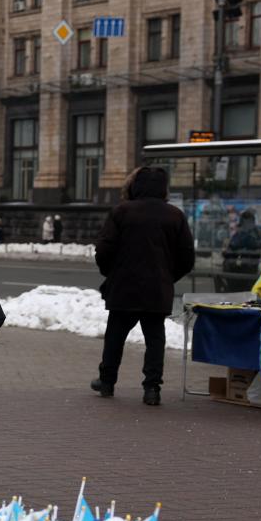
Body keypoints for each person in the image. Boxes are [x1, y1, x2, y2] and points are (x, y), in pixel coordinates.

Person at [92, 166, 195, 406]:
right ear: (163, 188)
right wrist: (167, 277)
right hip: (157, 289)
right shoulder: (174, 215)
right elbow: (187, 258)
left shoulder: (121, 212)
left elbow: (104, 250)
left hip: (124, 287)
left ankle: (107, 382)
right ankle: (152, 389)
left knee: (115, 336)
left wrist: (113, 273)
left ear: (135, 185)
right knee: (155, 339)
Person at [217, 209, 261, 293]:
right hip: (237, 266)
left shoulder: (255, 231)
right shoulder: (240, 231)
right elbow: (233, 245)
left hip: (248, 265)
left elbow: (256, 245)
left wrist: (245, 236)